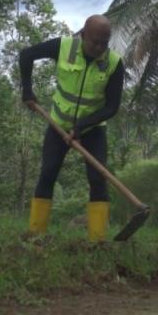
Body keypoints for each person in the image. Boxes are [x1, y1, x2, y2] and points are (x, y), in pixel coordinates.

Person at [19, 14, 124, 242]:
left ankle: (97, 240)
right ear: (83, 34)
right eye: (94, 41)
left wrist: (83, 125)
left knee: (97, 178)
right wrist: (27, 90)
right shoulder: (64, 46)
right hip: (58, 125)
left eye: (104, 43)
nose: (98, 48)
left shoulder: (114, 63)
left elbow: (112, 107)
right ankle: (36, 235)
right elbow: (26, 55)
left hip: (92, 129)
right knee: (48, 173)